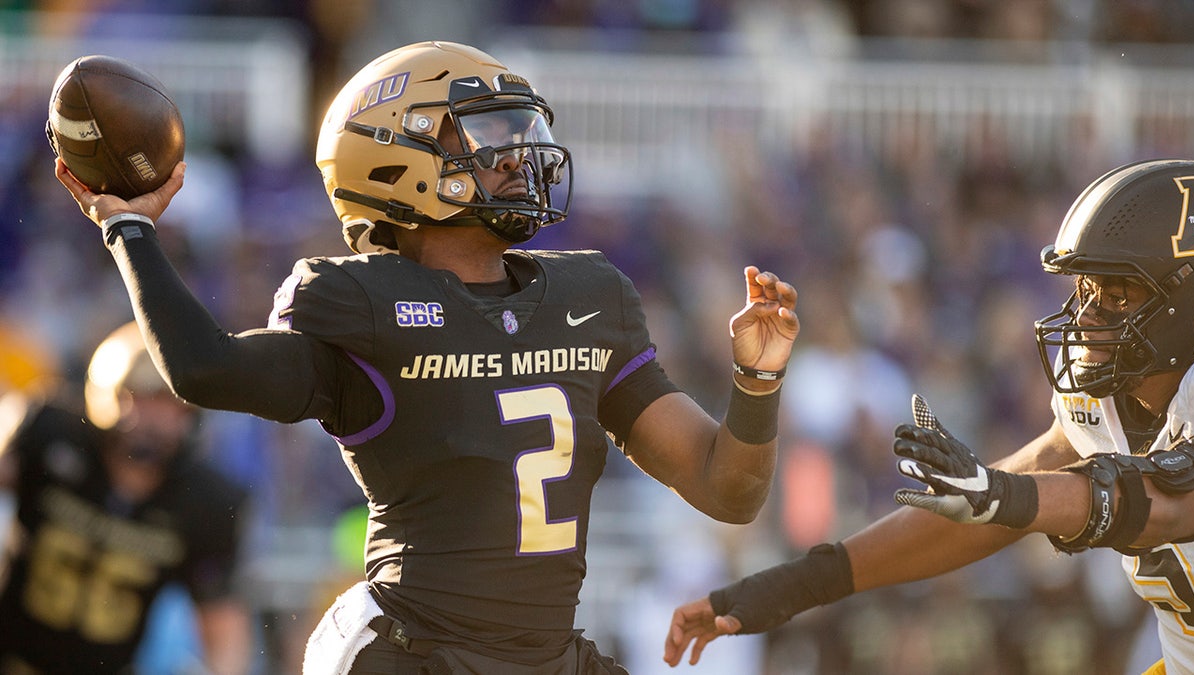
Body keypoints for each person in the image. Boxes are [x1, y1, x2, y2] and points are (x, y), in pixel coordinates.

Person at [51, 41, 800, 674]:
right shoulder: (361, 302)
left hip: (545, 656)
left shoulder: (591, 294)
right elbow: (205, 367)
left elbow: (727, 488)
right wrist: (128, 229)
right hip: (410, 652)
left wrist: (756, 378)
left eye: (519, 129)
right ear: (393, 155)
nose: (518, 155)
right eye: (484, 133)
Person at [663, 157, 1194, 675]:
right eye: (1087, 288)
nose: (1087, 315)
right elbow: (998, 505)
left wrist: (1002, 496)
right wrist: (796, 586)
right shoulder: (1104, 399)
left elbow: (1169, 503)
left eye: (1120, 293)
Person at [0, 321, 251, 675]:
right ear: (110, 393)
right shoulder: (50, 434)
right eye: (140, 397)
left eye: (170, 404)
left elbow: (222, 624)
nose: (154, 419)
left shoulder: (205, 501)